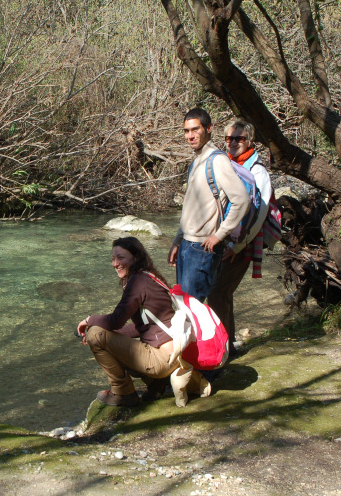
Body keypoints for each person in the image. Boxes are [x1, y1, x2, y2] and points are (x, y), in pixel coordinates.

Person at [76, 237, 209, 408]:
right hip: (173, 355)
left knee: (95, 333)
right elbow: (143, 327)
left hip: (162, 359)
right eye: (112, 258)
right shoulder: (149, 277)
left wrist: (89, 321)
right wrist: (111, 339)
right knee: (103, 336)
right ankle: (156, 384)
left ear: (136, 257)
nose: (115, 263)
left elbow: (116, 320)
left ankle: (123, 392)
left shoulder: (138, 282)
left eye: (121, 258)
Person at [167, 108, 251, 303]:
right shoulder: (196, 162)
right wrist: (177, 241)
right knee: (183, 307)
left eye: (195, 129)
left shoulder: (218, 161)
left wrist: (219, 235)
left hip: (202, 248)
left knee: (191, 310)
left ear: (209, 128)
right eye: (186, 131)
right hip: (188, 245)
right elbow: (190, 208)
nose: (190, 136)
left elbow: (242, 200)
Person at [207, 120, 272, 351]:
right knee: (223, 293)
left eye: (239, 138)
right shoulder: (223, 165)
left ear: (250, 141)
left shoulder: (258, 171)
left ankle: (220, 348)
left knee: (216, 293)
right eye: (229, 138)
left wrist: (237, 246)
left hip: (241, 245)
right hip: (220, 240)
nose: (233, 142)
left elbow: (259, 215)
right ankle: (229, 344)